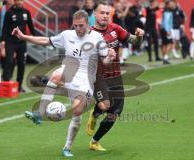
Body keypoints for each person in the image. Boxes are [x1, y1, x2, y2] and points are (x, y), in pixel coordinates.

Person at [13, 10, 116, 157]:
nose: (78, 29)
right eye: (75, 26)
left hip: (85, 80)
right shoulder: (67, 35)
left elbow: (105, 61)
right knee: (55, 75)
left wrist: (110, 58)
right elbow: (45, 41)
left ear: (88, 23)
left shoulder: (97, 38)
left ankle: (67, 147)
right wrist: (23, 37)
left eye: (81, 26)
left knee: (77, 112)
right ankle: (40, 114)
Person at [85, 0, 144, 151]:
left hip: (116, 76)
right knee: (105, 105)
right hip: (98, 77)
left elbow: (135, 42)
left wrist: (139, 36)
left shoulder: (115, 29)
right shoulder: (88, 34)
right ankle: (97, 111)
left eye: (107, 13)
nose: (105, 16)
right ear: (94, 14)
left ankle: (94, 141)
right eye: (101, 13)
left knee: (115, 113)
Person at [1, 0, 35, 92]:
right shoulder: (9, 13)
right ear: (15, 1)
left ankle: (19, 85)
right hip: (10, 42)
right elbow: (4, 28)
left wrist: (35, 37)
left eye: (21, 0)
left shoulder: (26, 12)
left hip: (22, 42)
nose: (19, 2)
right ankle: (7, 83)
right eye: (17, 0)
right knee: (9, 62)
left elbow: (31, 26)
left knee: (21, 64)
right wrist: (3, 41)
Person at [0, 0, 15, 71]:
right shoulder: (1, 9)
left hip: (13, 35)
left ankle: (10, 72)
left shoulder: (17, 9)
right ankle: (4, 70)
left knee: (13, 55)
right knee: (3, 54)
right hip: (2, 35)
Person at [160, 0, 175, 64]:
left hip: (162, 29)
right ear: (168, 5)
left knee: (164, 44)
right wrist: (167, 31)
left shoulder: (165, 11)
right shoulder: (168, 12)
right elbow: (166, 22)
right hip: (166, 29)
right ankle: (165, 57)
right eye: (170, 4)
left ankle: (164, 59)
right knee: (170, 43)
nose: (172, 5)